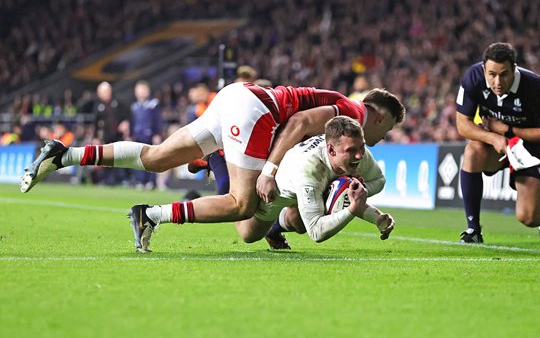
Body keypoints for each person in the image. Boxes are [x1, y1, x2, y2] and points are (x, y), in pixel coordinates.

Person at [21, 83, 404, 245]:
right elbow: (300, 123)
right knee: (243, 203)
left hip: (236, 98)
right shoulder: (353, 112)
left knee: (156, 160)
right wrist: (269, 170)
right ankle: (150, 216)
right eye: (385, 131)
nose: (379, 139)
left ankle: (64, 154)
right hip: (257, 113)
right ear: (379, 115)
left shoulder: (340, 107)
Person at [131, 116, 395, 252]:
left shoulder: (356, 152)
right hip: (267, 188)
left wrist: (377, 218)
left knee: (299, 221)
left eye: (361, 149)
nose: (359, 156)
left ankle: (272, 226)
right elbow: (318, 233)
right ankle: (215, 160)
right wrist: (350, 211)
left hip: (287, 182)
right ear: (331, 149)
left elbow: (376, 181)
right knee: (241, 218)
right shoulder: (310, 170)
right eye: (352, 151)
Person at [455, 42, 540, 243]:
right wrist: (494, 137)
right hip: (496, 145)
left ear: (514, 69)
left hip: (529, 149)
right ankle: (473, 230)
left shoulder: (536, 86)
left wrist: (507, 130)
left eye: (503, 74)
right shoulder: (473, 77)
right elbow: (463, 125)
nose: (497, 82)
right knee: (472, 151)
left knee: (528, 218)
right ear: (484, 70)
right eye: (492, 74)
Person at [130, 80, 163, 189]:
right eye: (138, 90)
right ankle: (139, 180)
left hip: (149, 135)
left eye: (142, 89)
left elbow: (158, 119)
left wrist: (157, 133)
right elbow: (132, 121)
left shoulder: (153, 104)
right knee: (137, 159)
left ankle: (150, 181)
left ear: (147, 91)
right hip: (137, 135)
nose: (140, 92)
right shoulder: (134, 105)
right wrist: (130, 134)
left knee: (151, 159)